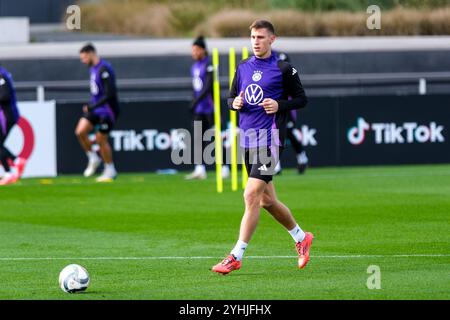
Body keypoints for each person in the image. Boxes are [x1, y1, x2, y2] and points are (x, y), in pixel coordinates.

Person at [212, 20, 313, 275]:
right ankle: (301, 237)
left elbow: (302, 99)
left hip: (271, 140)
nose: (255, 41)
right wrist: (234, 103)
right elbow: (229, 98)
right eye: (253, 37)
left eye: (260, 37)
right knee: (267, 201)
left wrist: (280, 105)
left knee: (250, 195)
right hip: (247, 139)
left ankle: (236, 255)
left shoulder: (283, 69)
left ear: (272, 40)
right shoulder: (243, 66)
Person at [185, 36, 229, 180]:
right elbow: (195, 87)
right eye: (192, 50)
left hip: (210, 106)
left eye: (196, 49)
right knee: (198, 137)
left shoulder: (209, 64)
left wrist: (196, 101)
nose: (194, 52)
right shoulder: (194, 67)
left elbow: (208, 86)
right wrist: (194, 101)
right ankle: (200, 169)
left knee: (217, 137)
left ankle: (224, 167)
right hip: (199, 108)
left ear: (203, 50)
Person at [75, 43, 119, 182]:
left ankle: (110, 169)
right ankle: (93, 157)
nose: (83, 61)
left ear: (91, 53)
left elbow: (109, 94)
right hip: (96, 109)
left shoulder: (104, 69)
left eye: (84, 58)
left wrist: (93, 106)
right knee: (80, 131)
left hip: (107, 110)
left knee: (101, 139)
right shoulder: (93, 69)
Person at [274, 51, 308, 175]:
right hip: (275, 110)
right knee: (275, 135)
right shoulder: (273, 74)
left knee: (289, 133)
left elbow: (297, 97)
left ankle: (301, 156)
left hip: (288, 110)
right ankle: (276, 165)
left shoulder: (290, 75)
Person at [0, 66, 27, 186]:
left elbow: (5, 95)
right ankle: (9, 171)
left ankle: (16, 162)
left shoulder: (1, 75)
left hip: (6, 115)